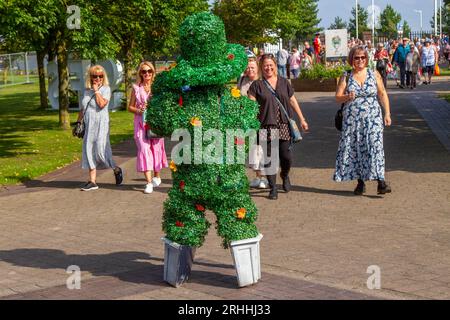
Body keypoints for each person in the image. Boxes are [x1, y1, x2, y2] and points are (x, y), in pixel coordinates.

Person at [248, 53, 309, 200]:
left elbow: (292, 101)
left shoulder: (283, 82)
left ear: (275, 66)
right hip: (264, 126)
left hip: (283, 125)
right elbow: (250, 105)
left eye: (271, 65)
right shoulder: (257, 85)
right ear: (262, 68)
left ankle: (285, 174)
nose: (268, 68)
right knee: (269, 158)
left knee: (286, 156)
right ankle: (273, 188)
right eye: (265, 66)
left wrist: (302, 119)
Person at [334, 46, 392, 195]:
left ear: (367, 59)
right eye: (356, 58)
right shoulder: (346, 75)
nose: (360, 60)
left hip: (373, 118)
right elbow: (337, 97)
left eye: (363, 58)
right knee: (356, 148)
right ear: (351, 59)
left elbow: (382, 93)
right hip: (352, 120)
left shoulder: (374, 74)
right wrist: (347, 97)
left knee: (375, 146)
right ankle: (360, 182)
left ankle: (381, 181)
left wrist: (387, 114)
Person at [77, 65, 123, 191]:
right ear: (90, 77)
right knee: (88, 149)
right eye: (95, 76)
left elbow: (102, 104)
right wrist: (78, 123)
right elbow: (83, 108)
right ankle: (92, 181)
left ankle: (116, 169)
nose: (98, 78)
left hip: (101, 125)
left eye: (100, 76)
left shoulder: (106, 89)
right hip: (89, 124)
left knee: (101, 151)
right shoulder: (86, 90)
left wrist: (97, 90)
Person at [128, 61, 168, 194]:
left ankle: (157, 175)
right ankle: (149, 183)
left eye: (149, 71)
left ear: (153, 73)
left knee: (156, 149)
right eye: (144, 71)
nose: (147, 74)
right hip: (140, 124)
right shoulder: (136, 89)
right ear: (140, 73)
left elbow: (164, 105)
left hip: (154, 123)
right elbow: (130, 107)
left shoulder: (157, 88)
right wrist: (139, 111)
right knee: (144, 150)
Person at [237, 58, 268, 189]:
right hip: (245, 120)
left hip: (260, 119)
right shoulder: (242, 81)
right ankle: (257, 177)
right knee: (252, 150)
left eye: (253, 68)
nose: (250, 70)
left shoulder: (262, 82)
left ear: (258, 69)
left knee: (261, 150)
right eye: (248, 67)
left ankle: (265, 178)